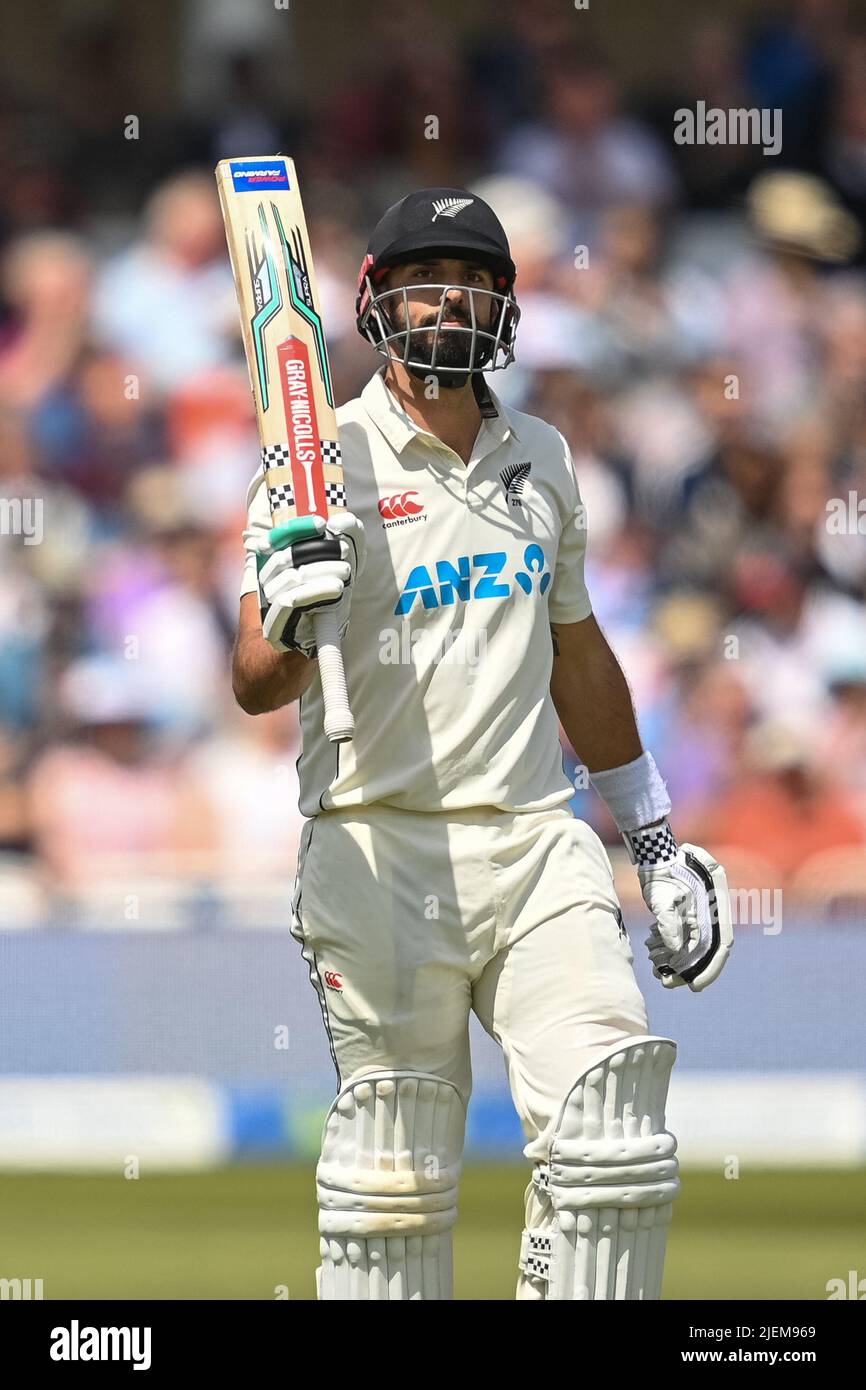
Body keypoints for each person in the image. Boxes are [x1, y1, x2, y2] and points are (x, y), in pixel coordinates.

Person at [232, 187, 732, 1301]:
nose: (447, 301)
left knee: (607, 1140)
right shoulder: (314, 468)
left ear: (506, 304)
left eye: (472, 280)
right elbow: (253, 686)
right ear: (375, 302)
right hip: (374, 852)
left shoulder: (542, 455)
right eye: (423, 280)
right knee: (391, 1187)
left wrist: (649, 838)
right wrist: (290, 610)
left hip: (533, 841)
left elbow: (579, 651)